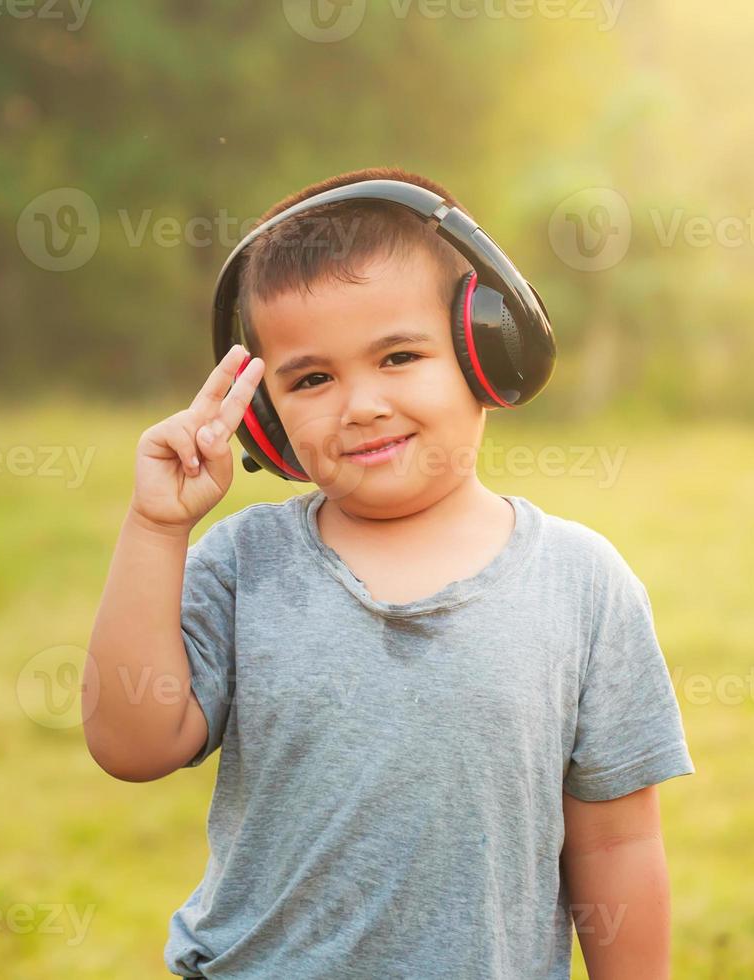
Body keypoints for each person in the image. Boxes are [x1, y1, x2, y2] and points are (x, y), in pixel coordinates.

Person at [83, 167, 695, 979]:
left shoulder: (582, 583)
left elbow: (617, 841)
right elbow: (131, 744)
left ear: (488, 352)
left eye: (399, 356)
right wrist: (157, 527)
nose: (361, 404)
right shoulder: (244, 564)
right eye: (311, 379)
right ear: (264, 417)